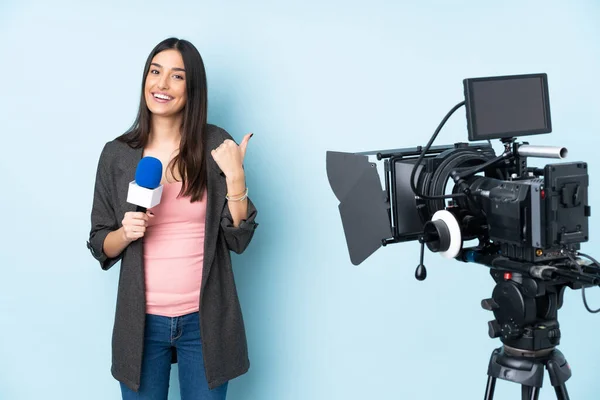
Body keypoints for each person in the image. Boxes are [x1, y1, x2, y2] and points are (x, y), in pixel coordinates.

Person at [86, 37, 258, 400]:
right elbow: (100, 241)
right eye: (155, 72)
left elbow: (238, 238)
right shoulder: (117, 155)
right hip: (141, 324)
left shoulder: (215, 144)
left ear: (192, 89)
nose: (161, 84)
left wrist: (237, 178)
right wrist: (124, 233)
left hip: (204, 320)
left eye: (176, 76)